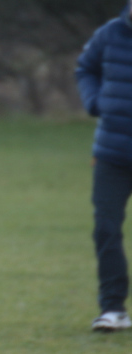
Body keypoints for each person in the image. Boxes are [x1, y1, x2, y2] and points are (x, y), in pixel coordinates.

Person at [76, 0, 132, 332]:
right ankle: (113, 309)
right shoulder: (109, 34)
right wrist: (95, 102)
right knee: (106, 229)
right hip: (111, 154)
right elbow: (84, 68)